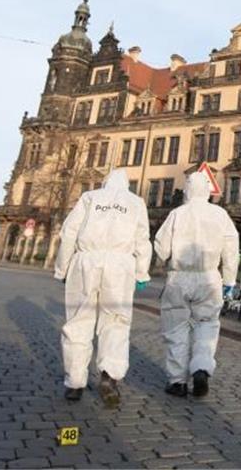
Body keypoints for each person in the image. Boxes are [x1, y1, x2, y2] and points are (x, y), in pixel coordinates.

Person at [54, 167, 152, 406]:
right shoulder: (136, 202)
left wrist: (62, 267)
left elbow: (69, 233)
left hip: (86, 260)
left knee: (79, 321)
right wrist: (141, 272)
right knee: (116, 322)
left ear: (105, 182)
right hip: (120, 265)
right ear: (127, 184)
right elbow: (142, 239)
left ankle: (75, 382)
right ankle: (109, 376)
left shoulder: (90, 197)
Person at [153, 171, 239, 397]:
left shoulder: (177, 214)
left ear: (188, 190)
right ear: (208, 191)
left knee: (177, 328)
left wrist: (166, 257)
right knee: (207, 325)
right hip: (209, 277)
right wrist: (229, 280)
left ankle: (177, 381)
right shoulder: (220, 215)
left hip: (179, 277)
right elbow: (231, 250)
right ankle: (201, 367)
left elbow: (161, 248)